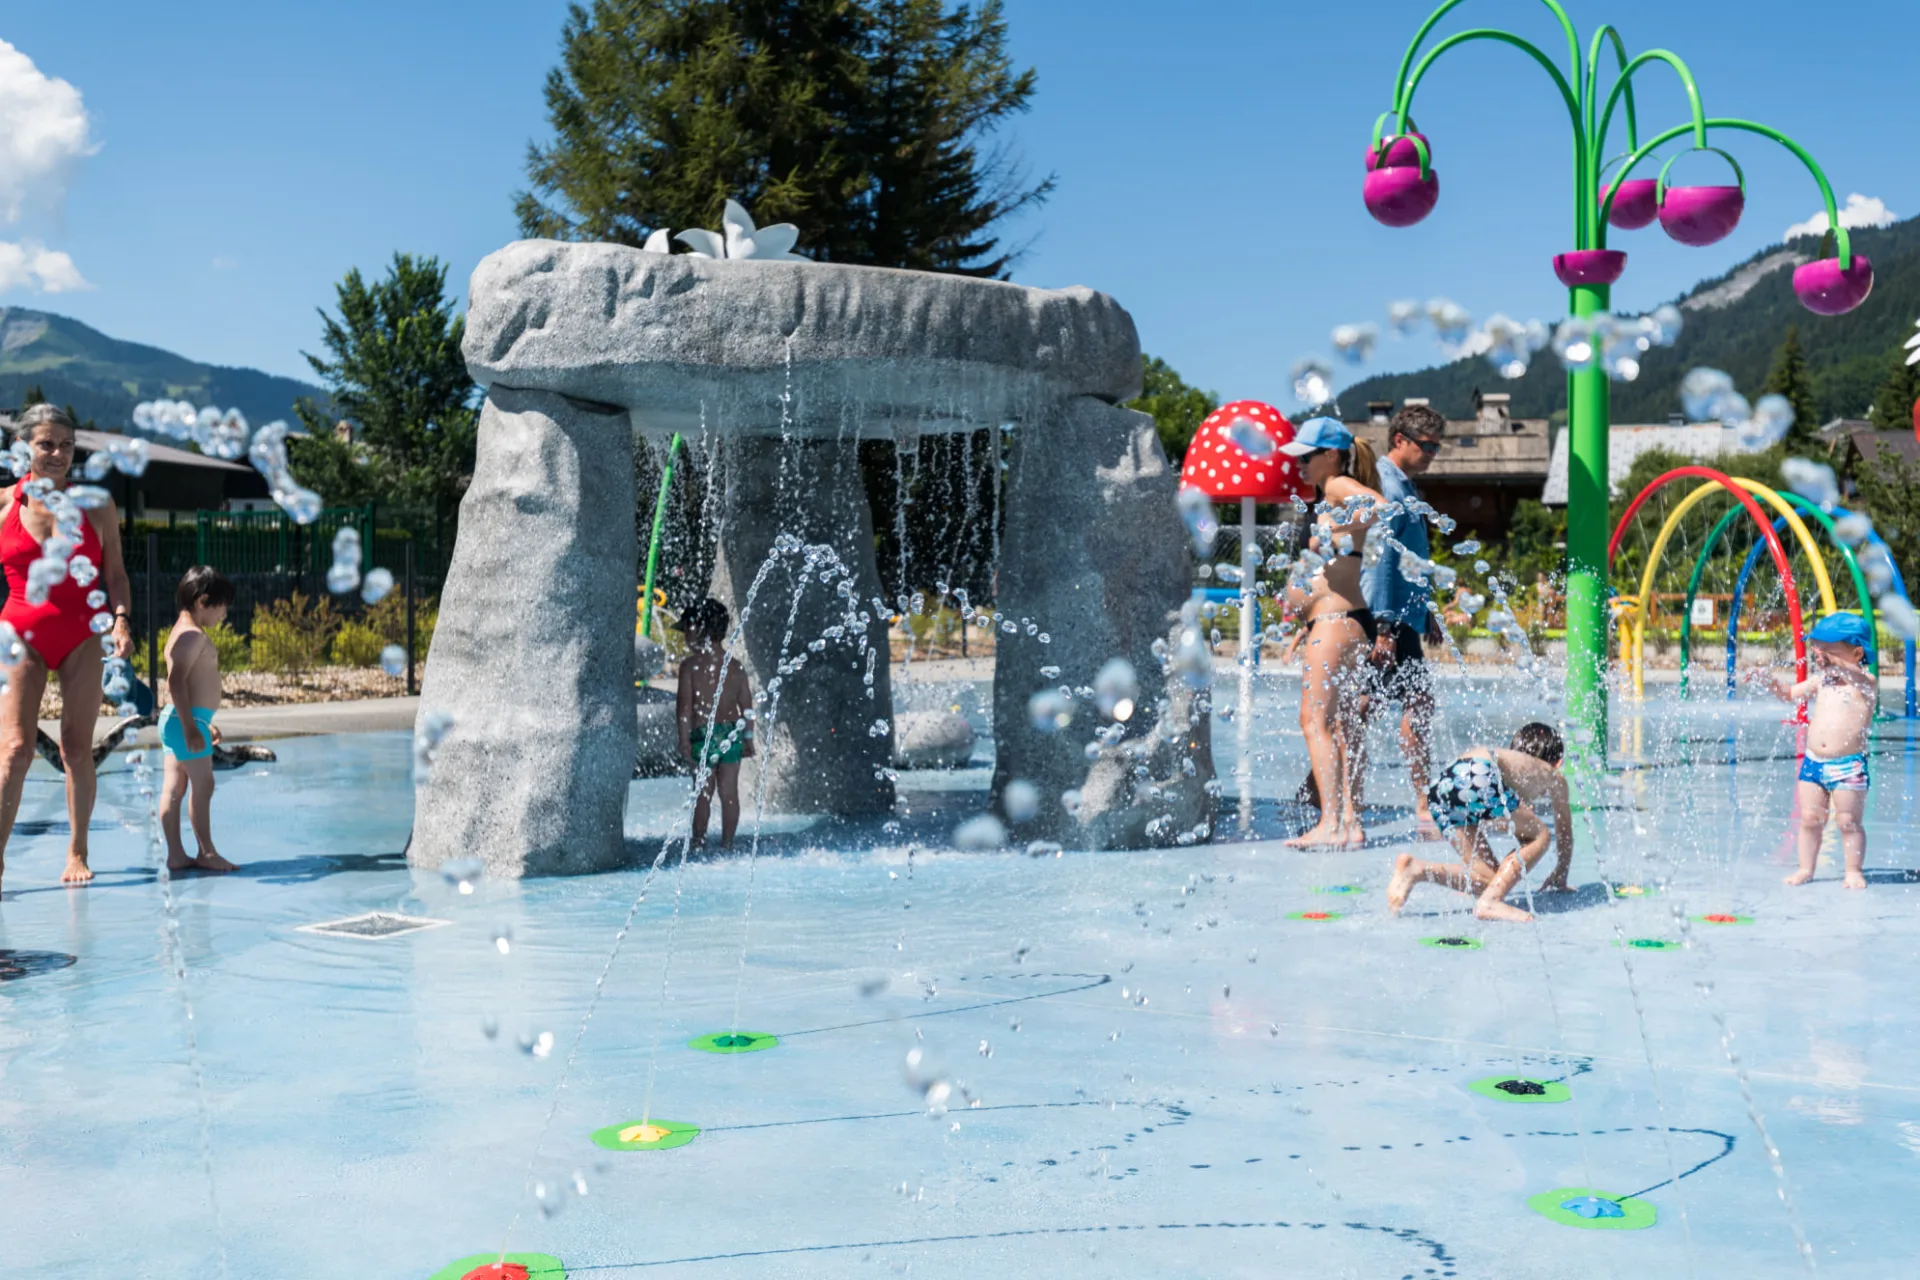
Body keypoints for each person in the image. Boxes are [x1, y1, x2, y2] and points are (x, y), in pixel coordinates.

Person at [0, 405, 136, 895]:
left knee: (76, 747)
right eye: (46, 443)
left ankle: (77, 849)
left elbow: (116, 574)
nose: (57, 453)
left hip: (82, 635)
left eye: (66, 444)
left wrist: (121, 620)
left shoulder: (97, 505)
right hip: (19, 633)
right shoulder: (3, 504)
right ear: (25, 448)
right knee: (14, 750)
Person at [1278, 417, 1385, 848]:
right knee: (1344, 725)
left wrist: (1336, 531)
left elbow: (1379, 505)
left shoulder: (1339, 485)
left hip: (1336, 622)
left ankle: (1330, 823)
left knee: (1314, 721)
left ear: (1331, 456)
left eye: (1307, 456)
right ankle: (1351, 823)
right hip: (1340, 621)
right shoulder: (1327, 497)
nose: (1300, 464)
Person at [1360, 403, 1447, 839]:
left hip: (1401, 617)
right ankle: (1419, 804)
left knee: (1368, 707)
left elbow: (1411, 561)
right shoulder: (1385, 487)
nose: (1432, 453)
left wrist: (1424, 608)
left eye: (1437, 446)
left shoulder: (1406, 487)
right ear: (1400, 440)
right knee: (1369, 708)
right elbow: (1380, 560)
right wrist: (1385, 627)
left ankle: (1328, 793)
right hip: (1385, 621)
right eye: (1426, 445)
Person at [1387, 722, 1575, 923]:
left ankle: (1416, 869)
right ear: (1558, 762)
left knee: (1490, 880)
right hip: (1477, 773)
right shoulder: (1553, 775)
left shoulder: (1514, 765)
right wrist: (1561, 872)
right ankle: (1491, 902)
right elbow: (1564, 830)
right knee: (1542, 836)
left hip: (1442, 786)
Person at [1767, 612, 1876, 889]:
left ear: (1856, 652)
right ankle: (1806, 868)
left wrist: (1838, 665)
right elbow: (1790, 694)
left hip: (1848, 766)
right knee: (1809, 819)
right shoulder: (1822, 680)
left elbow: (1858, 677)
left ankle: (1853, 870)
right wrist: (1768, 681)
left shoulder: (1866, 682)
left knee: (1848, 822)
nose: (1819, 654)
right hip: (1814, 763)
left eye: (1827, 649)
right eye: (1816, 648)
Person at [159, 566, 239, 875]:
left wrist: (202, 722)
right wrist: (192, 727)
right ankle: (206, 852)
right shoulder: (191, 635)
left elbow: (188, 684)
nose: (224, 614)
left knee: (175, 787)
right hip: (185, 721)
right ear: (203, 601)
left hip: (185, 719)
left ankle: (177, 855)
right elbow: (175, 682)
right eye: (222, 607)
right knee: (203, 785)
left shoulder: (183, 630)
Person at [675, 598, 755, 850]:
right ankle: (727, 844)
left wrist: (684, 740)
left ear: (700, 629)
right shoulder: (735, 666)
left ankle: (698, 843)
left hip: (703, 736)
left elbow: (684, 709)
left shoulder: (690, 667)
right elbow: (747, 705)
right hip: (731, 734)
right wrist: (749, 738)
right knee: (729, 793)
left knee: (703, 792)